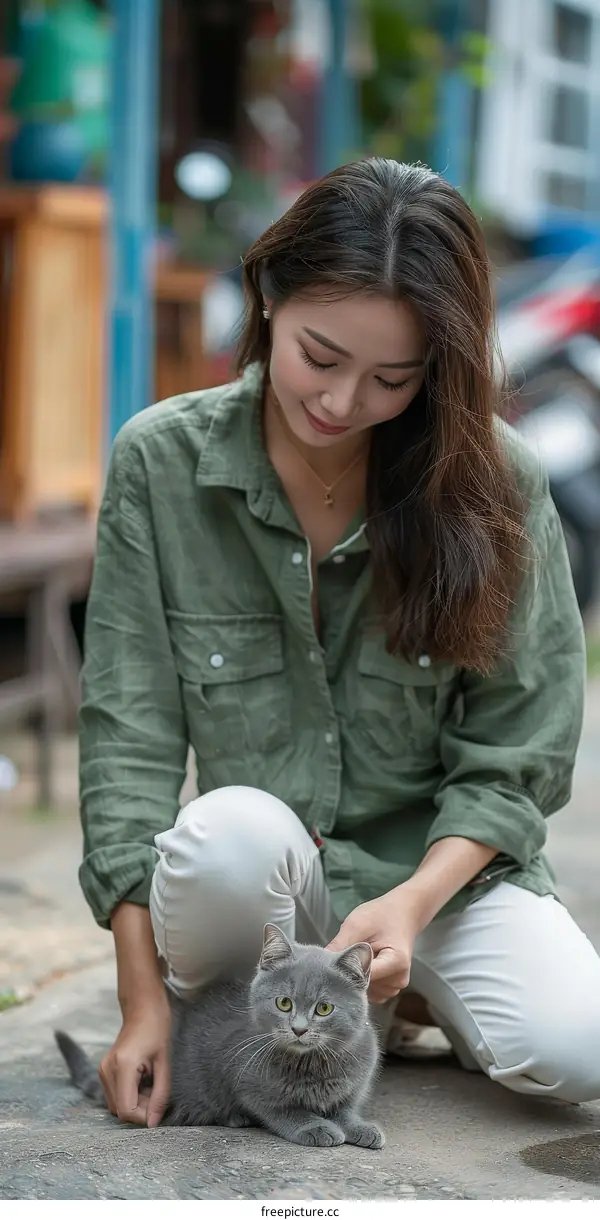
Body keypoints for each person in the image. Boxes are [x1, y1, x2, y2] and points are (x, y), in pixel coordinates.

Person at [79, 158, 600, 1129]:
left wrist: (409, 907)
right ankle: (276, 1013)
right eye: (322, 355)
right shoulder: (160, 460)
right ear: (268, 294)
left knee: (578, 1045)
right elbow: (128, 738)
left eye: (391, 379)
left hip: (440, 876)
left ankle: (401, 993)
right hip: (269, 892)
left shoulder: (496, 482)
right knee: (226, 834)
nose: (342, 400)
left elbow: (518, 749)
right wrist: (143, 1003)